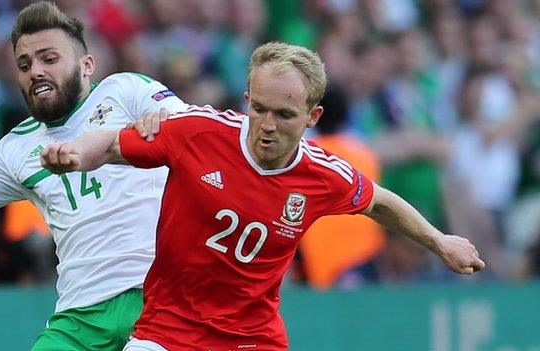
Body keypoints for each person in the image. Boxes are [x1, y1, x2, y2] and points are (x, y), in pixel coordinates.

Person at [41, 42, 485, 351]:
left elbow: (380, 202)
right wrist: (75, 153)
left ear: (313, 116)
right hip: (168, 329)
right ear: (247, 98)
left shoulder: (322, 175)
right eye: (259, 108)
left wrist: (439, 241)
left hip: (252, 338)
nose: (267, 125)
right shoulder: (198, 132)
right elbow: (112, 143)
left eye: (284, 114)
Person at [0, 2, 189, 350]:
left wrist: (165, 123)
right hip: (79, 318)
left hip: (159, 298)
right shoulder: (14, 150)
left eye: (49, 58)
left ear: (87, 65)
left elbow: (198, 135)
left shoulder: (125, 91)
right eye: (24, 65)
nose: (35, 72)